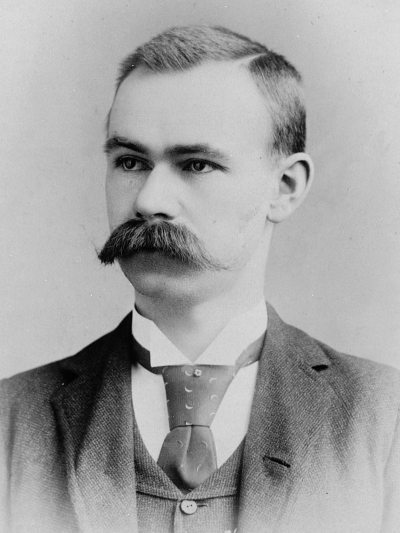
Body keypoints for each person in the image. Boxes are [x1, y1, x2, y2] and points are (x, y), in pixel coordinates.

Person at [0, 25, 399, 533]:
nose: (149, 201)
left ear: (285, 187)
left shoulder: (384, 418)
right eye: (130, 162)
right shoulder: (10, 420)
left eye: (196, 165)